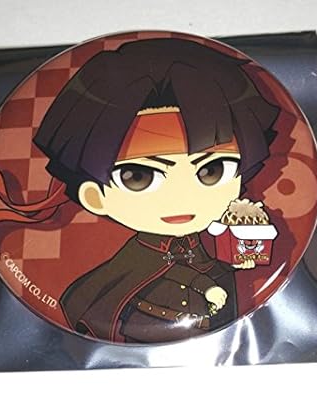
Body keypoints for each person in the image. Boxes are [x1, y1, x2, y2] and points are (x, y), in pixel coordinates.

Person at [32, 38, 280, 343]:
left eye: (212, 170)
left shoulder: (205, 245)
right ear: (94, 196)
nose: (181, 196)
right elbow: (159, 271)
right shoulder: (131, 263)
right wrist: (204, 286)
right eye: (138, 176)